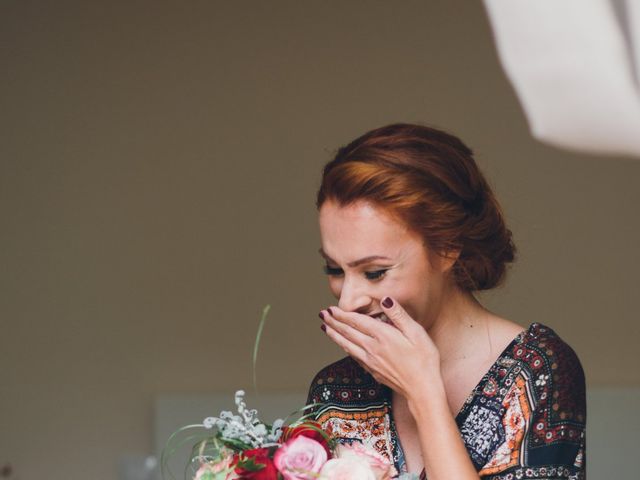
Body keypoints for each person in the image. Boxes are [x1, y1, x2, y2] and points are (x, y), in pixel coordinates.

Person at [305, 123, 586, 480]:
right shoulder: (337, 390)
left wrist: (424, 394)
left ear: (448, 246)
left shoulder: (535, 373)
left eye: (375, 272)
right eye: (334, 269)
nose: (348, 302)